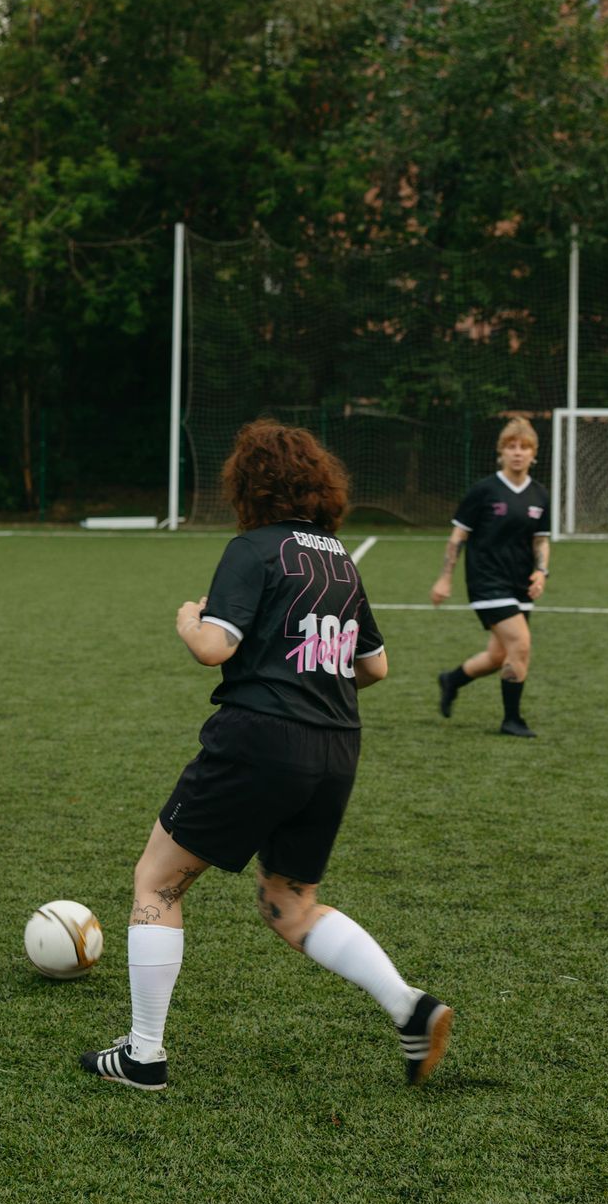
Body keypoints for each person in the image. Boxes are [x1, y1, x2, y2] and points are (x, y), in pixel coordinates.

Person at [79, 420, 452, 1092]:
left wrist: (190, 621)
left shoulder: (254, 549)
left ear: (249, 485)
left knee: (157, 880)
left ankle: (143, 1055)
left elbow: (214, 648)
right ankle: (409, 1005)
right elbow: (377, 667)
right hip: (336, 746)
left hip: (261, 738)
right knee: (290, 902)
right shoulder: (340, 560)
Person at [430, 416, 551, 737]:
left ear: (534, 454)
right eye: (510, 446)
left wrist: (542, 572)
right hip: (486, 582)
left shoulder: (540, 495)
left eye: (524, 447)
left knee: (500, 655)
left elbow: (541, 540)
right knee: (521, 645)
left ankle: (452, 680)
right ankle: (512, 719)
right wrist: (445, 578)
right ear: (501, 452)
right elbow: (458, 537)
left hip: (521, 584)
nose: (517, 453)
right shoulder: (484, 491)